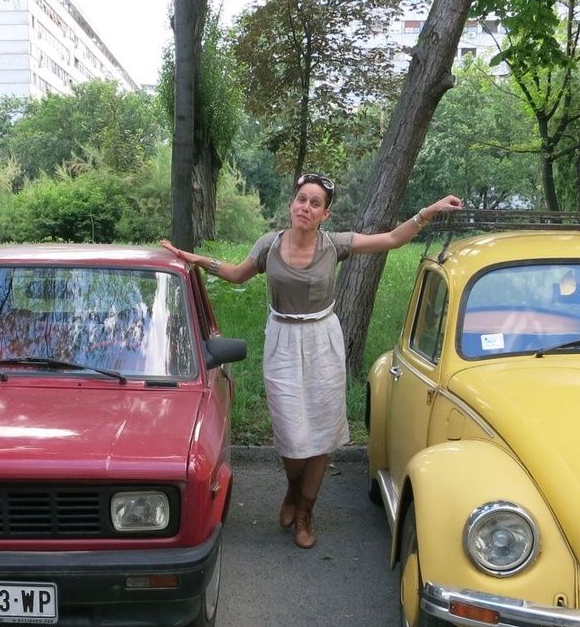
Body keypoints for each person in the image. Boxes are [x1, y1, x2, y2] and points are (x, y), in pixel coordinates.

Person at [162, 175, 462, 548]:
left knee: (321, 431)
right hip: (282, 341)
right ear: (292, 205)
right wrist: (196, 259)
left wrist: (427, 212)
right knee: (290, 433)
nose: (306, 207)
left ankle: (305, 510)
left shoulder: (334, 245)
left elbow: (391, 240)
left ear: (324, 214)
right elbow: (237, 275)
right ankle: (293, 486)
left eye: (315, 203)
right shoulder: (269, 245)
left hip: (322, 340)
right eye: (301, 199)